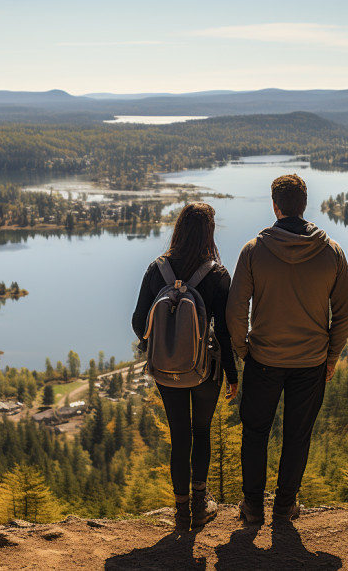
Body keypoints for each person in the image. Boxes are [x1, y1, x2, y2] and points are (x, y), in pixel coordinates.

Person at [226, 174, 348, 525]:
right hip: (311, 364)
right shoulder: (332, 252)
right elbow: (344, 313)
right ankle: (285, 505)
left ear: (275, 206)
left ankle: (252, 506)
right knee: (297, 435)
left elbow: (235, 310)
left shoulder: (254, 251)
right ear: (304, 205)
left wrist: (243, 351)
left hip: (263, 360)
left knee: (255, 432)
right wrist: (331, 358)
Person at [132, 202, 239, 531]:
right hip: (206, 371)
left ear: (178, 229)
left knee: (179, 435)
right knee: (201, 432)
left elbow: (139, 323)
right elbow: (225, 332)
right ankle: (199, 504)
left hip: (166, 371)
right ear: (209, 231)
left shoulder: (157, 270)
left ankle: (180, 510)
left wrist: (164, 346)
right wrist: (233, 376)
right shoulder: (217, 274)